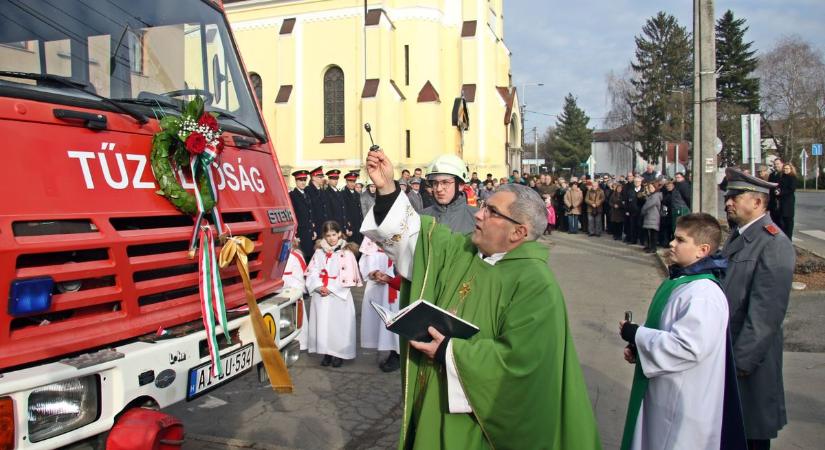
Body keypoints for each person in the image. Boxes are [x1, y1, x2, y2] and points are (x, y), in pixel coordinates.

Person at [361, 148, 601, 450]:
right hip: (436, 399)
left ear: (518, 232)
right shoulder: (464, 251)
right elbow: (415, 240)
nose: (478, 214)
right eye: (484, 207)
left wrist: (449, 350)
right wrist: (386, 190)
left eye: (491, 212)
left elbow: (522, 366)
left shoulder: (536, 285)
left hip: (481, 425)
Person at [618, 213, 735, 450]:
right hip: (665, 391)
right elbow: (668, 329)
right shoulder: (683, 282)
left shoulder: (703, 294)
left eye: (681, 240)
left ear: (702, 250)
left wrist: (637, 335)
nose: (672, 243)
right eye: (674, 237)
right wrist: (640, 349)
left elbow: (688, 347)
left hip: (683, 404)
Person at [721, 168, 795, 450]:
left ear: (758, 202)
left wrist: (738, 364)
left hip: (748, 365)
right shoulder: (739, 237)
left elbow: (765, 316)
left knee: (750, 438)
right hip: (729, 356)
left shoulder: (773, 243)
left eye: (735, 196)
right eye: (728, 195)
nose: (728, 202)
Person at [306, 221, 362, 368]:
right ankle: (326, 352)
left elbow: (349, 275)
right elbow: (312, 271)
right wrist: (318, 287)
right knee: (323, 324)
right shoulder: (318, 252)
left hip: (338, 294)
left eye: (334, 234)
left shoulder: (347, 253)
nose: (331, 238)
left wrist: (331, 288)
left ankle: (338, 354)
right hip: (321, 293)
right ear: (324, 236)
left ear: (339, 234)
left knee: (338, 326)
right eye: (328, 235)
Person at [359, 236, 401, 372]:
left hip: (397, 284)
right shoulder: (371, 235)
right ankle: (391, 350)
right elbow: (365, 258)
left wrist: (391, 276)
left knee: (396, 316)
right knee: (381, 319)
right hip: (376, 285)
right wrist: (373, 272)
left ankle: (398, 354)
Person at [421, 154, 478, 233]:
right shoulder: (420, 217)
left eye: (445, 182)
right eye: (435, 183)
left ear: (460, 185)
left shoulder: (477, 218)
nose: (438, 189)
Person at [282, 238, 310, 351]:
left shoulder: (296, 256)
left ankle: (301, 342)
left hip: (292, 290)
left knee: (297, 317)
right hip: (280, 291)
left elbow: (303, 274)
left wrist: (299, 290)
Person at [289, 170, 316, 261]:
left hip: (309, 232)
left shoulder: (307, 195)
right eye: (300, 180)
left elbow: (310, 213)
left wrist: (313, 230)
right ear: (296, 181)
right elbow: (292, 215)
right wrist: (295, 234)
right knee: (301, 257)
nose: (303, 182)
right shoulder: (292, 195)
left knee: (309, 257)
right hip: (300, 232)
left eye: (304, 180)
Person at [305, 166, 330, 240]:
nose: (322, 179)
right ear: (313, 178)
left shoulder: (322, 191)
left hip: (324, 226)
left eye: (322, 177)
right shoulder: (308, 191)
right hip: (315, 227)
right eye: (320, 177)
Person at [341, 171, 364, 244]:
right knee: (350, 247)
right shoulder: (342, 194)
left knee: (359, 246)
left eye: (354, 181)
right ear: (346, 181)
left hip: (358, 225)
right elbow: (343, 212)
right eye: (350, 181)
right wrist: (347, 226)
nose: (352, 183)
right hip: (350, 225)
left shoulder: (357, 194)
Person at [777, 163, 797, 239]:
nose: (785, 170)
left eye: (787, 169)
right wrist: (777, 191)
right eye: (784, 168)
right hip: (781, 201)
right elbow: (779, 186)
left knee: (788, 220)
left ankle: (789, 238)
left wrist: (781, 192)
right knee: (782, 220)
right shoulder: (782, 177)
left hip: (788, 201)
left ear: (791, 169)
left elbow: (791, 189)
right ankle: (784, 237)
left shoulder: (792, 177)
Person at [640, 183, 662, 253]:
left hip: (653, 216)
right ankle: (649, 246)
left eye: (652, 187)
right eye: (649, 188)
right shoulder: (651, 195)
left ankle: (653, 248)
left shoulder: (655, 196)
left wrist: (642, 210)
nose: (650, 189)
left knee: (653, 233)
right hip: (649, 216)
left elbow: (648, 205)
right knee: (649, 233)